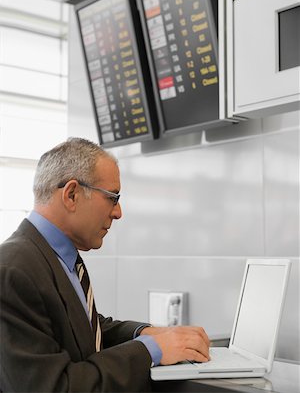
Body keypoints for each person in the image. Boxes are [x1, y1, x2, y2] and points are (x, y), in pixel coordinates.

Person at [0, 137, 210, 392]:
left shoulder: (56, 257)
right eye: (112, 197)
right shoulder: (12, 271)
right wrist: (150, 351)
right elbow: (53, 387)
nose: (118, 212)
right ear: (72, 194)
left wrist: (146, 334)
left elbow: (83, 328)